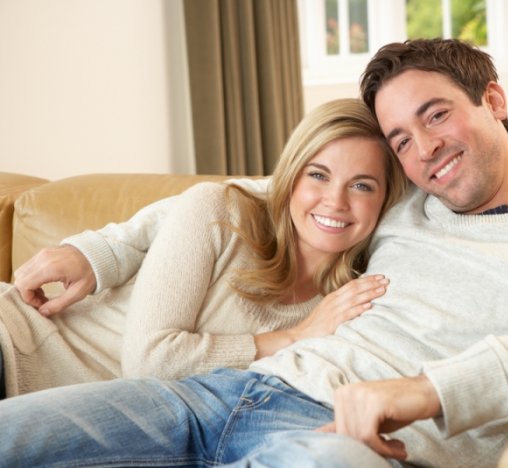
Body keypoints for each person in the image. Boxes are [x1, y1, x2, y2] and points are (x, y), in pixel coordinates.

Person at [0, 39, 508, 467]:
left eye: (437, 114)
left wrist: (427, 391)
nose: (425, 148)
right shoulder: (402, 199)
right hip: (210, 394)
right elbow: (271, 189)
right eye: (401, 139)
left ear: (494, 99)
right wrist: (102, 250)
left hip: (340, 436)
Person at [0, 98, 406, 398]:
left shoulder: (352, 300)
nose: (335, 201)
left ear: (386, 200)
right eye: (317, 175)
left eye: (361, 185)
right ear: (289, 178)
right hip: (14, 342)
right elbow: (149, 362)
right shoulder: (219, 212)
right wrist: (292, 337)